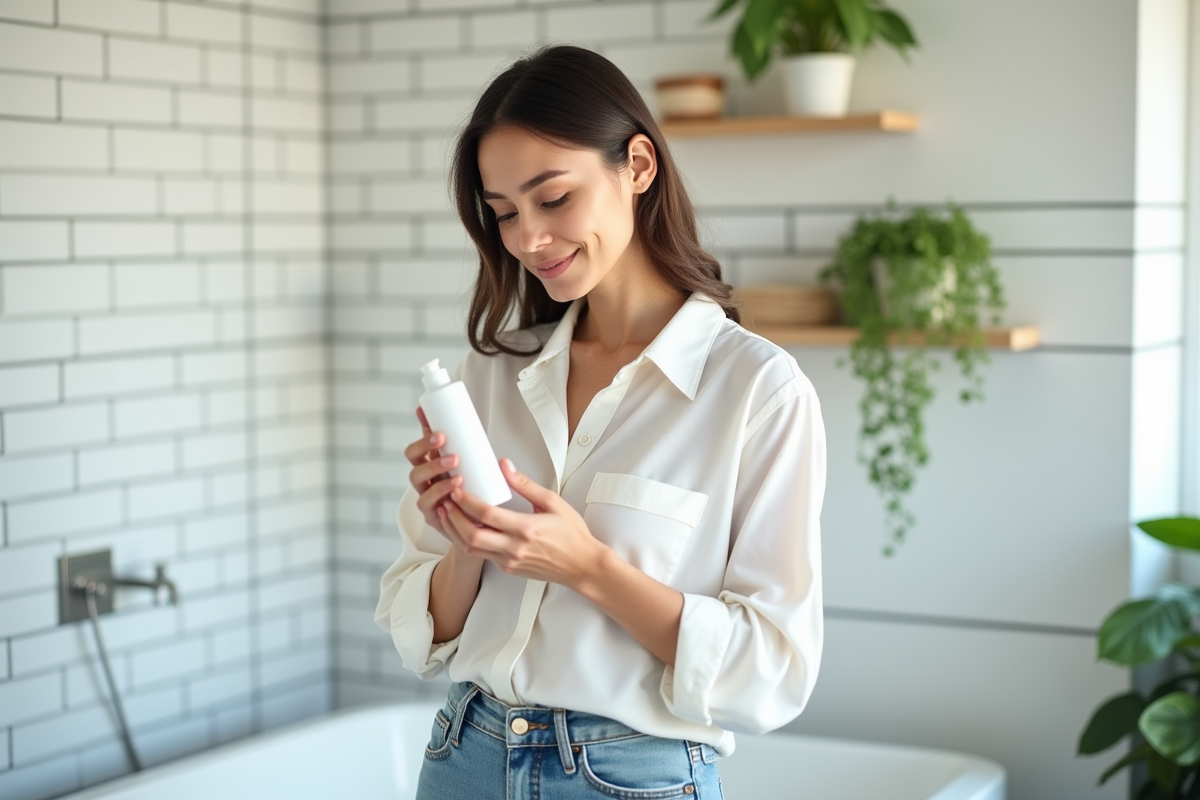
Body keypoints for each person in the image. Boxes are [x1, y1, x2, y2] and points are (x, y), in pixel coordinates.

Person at [375, 44, 826, 800]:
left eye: (553, 199)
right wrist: (465, 542)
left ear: (639, 166)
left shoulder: (755, 389)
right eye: (504, 214)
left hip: (630, 777)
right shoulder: (491, 373)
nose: (527, 239)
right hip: (465, 757)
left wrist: (586, 566)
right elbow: (419, 633)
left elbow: (773, 671)